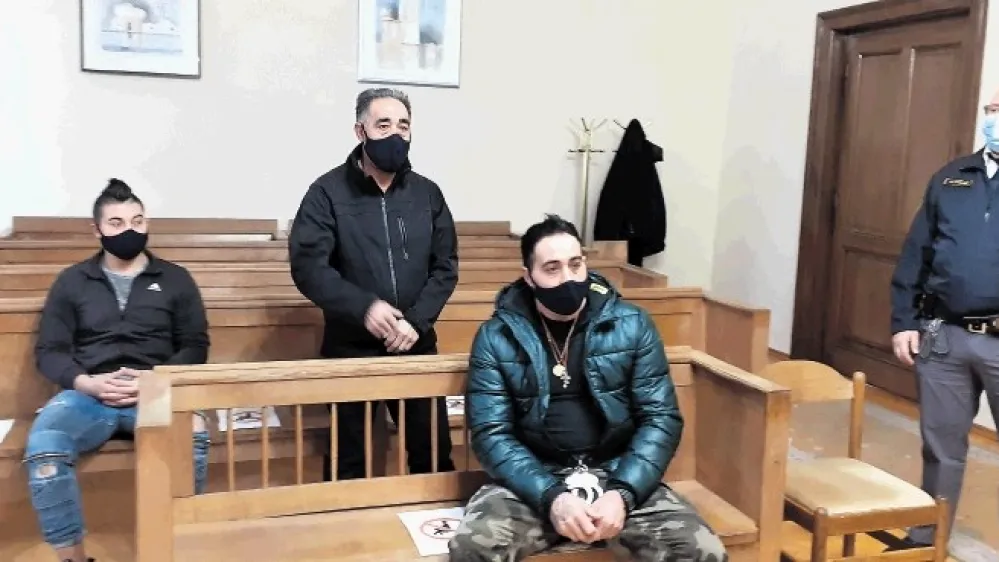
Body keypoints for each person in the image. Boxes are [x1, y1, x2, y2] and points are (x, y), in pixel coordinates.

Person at [449, 214, 727, 562]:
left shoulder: (631, 324)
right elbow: (491, 433)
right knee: (473, 549)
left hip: (616, 471)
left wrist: (622, 493)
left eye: (575, 264)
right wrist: (553, 497)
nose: (568, 278)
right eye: (552, 268)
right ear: (529, 277)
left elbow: (661, 418)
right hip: (536, 477)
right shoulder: (497, 336)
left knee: (701, 551)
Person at [24, 179, 211, 562]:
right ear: (97, 230)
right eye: (117, 223)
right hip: (89, 396)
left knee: (192, 433)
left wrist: (155, 380)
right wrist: (87, 383)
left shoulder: (175, 279)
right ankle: (74, 558)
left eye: (137, 221)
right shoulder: (72, 281)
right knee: (44, 447)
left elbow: (195, 345)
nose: (130, 230)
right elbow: (50, 351)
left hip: (156, 392)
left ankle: (176, 548)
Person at [288, 87, 458, 480]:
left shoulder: (428, 194)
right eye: (383, 125)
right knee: (348, 463)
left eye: (403, 126)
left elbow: (445, 266)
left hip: (415, 345)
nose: (395, 134)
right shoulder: (326, 193)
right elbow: (309, 266)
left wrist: (416, 322)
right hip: (351, 349)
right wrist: (364, 307)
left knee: (433, 457)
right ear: (360, 131)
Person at [888, 91, 999, 550]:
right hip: (944, 336)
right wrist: (903, 320)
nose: (995, 118)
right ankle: (927, 540)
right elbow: (916, 252)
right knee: (940, 447)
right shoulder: (952, 177)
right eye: (993, 109)